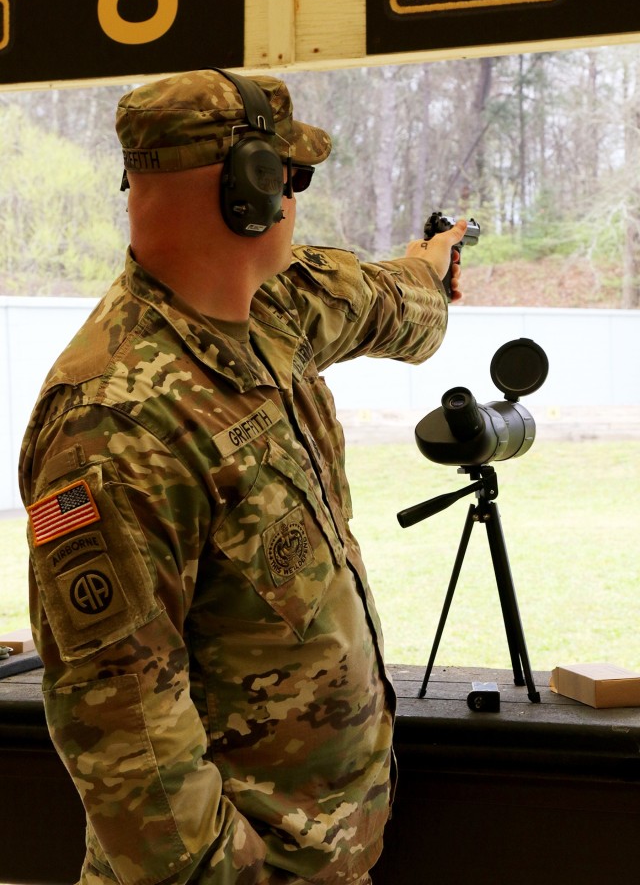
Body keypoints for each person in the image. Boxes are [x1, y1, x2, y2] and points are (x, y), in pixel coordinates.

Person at [19, 68, 465, 885]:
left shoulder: (272, 311)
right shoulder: (115, 419)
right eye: (293, 178)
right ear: (252, 190)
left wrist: (432, 263)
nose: (297, 200)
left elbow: (393, 301)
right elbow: (125, 735)